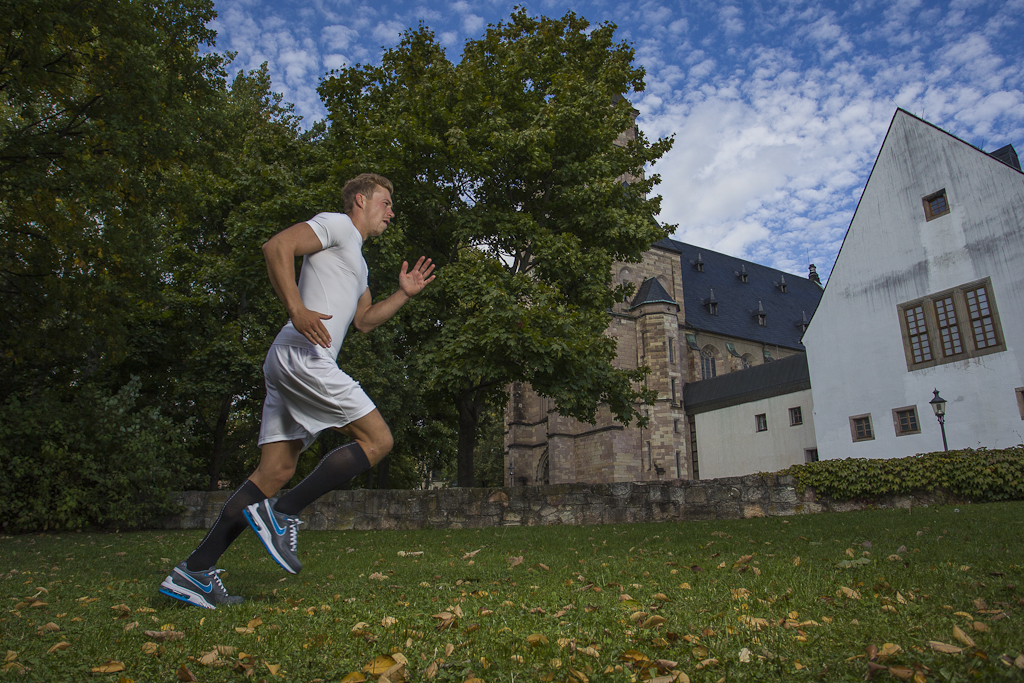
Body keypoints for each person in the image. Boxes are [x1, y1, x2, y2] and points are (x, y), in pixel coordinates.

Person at [159, 173, 434, 609]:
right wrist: (296, 308)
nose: (391, 211)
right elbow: (277, 247)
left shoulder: (358, 262)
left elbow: (363, 321)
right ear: (359, 200)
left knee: (274, 473)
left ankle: (193, 572)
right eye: (386, 201)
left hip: (292, 359)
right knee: (378, 440)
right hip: (305, 355)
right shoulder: (338, 225)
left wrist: (403, 294)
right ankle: (283, 512)